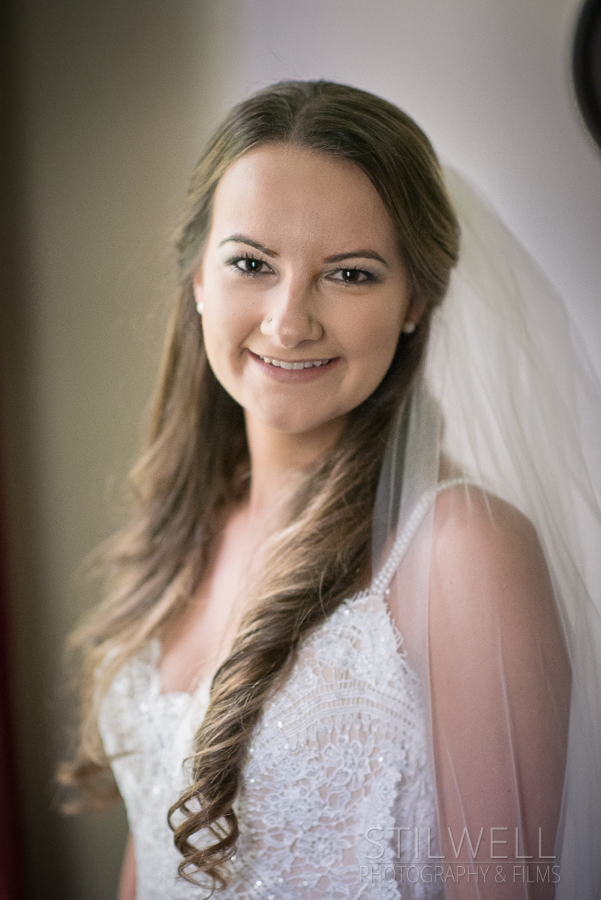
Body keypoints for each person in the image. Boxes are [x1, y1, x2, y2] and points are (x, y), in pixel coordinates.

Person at [60, 80, 601, 900]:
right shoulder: (183, 534)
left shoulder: (462, 552)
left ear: (415, 300)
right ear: (198, 276)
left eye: (348, 275)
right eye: (250, 263)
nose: (288, 321)